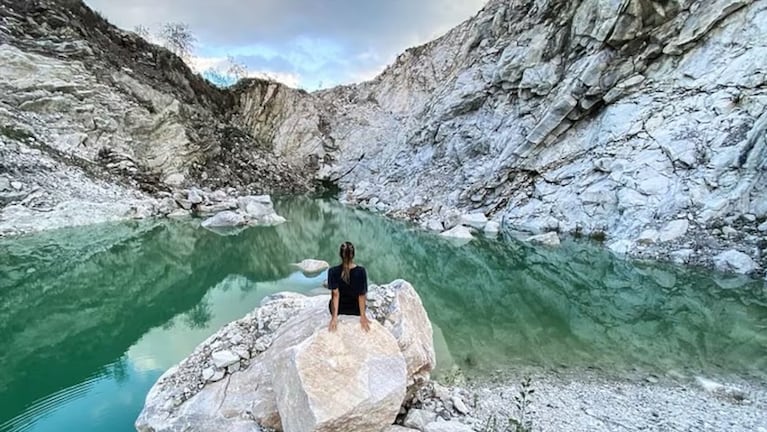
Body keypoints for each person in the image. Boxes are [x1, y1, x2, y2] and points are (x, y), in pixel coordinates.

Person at [327, 241, 371, 332]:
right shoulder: (361, 271)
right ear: (353, 255)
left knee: (330, 300)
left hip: (340, 310)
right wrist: (363, 316)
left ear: (340, 255)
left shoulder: (332, 271)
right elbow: (361, 295)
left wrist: (334, 318)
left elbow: (335, 295)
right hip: (356, 310)